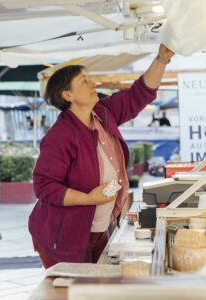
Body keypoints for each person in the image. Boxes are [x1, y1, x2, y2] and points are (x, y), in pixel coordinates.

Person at [28, 44, 174, 268]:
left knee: (96, 286)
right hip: (64, 236)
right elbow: (44, 186)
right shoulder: (60, 136)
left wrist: (162, 59)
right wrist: (89, 198)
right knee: (72, 292)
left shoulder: (104, 113)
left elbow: (139, 94)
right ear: (67, 95)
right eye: (84, 81)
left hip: (100, 228)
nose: (93, 84)